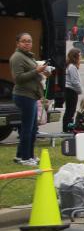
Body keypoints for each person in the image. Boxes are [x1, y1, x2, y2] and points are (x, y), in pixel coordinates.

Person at [10, 33, 49, 166]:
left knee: (32, 128)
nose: (27, 43)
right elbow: (19, 78)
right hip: (24, 95)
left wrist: (43, 71)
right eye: (24, 41)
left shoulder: (27, 56)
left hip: (32, 95)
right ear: (18, 43)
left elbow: (33, 73)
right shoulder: (17, 57)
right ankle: (26, 158)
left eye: (29, 41)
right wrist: (37, 71)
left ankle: (22, 155)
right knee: (27, 128)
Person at [63, 48, 82, 133]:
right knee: (70, 111)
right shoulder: (72, 67)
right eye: (79, 55)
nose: (80, 57)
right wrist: (80, 90)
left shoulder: (70, 66)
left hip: (69, 90)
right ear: (75, 56)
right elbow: (75, 81)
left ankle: (68, 127)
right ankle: (67, 128)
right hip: (71, 90)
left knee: (70, 110)